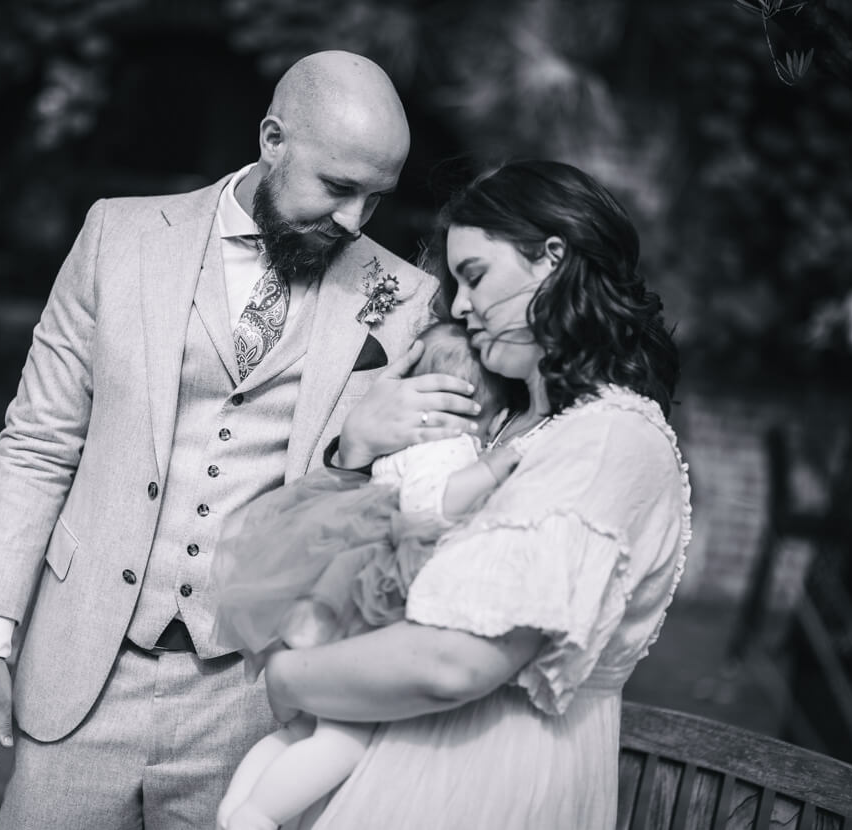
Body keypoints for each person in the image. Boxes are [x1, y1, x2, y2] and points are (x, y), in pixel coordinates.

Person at [0, 51, 483, 829]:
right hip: (83, 662)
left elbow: (406, 509)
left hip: (255, 695)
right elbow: (36, 444)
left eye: (375, 199)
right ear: (273, 139)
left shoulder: (406, 301)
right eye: (337, 187)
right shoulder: (119, 237)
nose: (353, 220)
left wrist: (354, 452)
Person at [260, 160, 691, 829]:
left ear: (552, 259)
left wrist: (289, 677)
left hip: (487, 789)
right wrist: (357, 452)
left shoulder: (608, 439)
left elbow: (452, 663)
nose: (459, 307)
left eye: (475, 275)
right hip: (393, 769)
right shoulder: (506, 426)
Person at [212, 321, 519, 830]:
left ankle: (235, 809)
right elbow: (428, 505)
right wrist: (491, 470)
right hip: (371, 606)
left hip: (337, 593)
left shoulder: (397, 444)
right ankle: (258, 817)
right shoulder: (453, 451)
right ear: (497, 416)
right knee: (345, 740)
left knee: (302, 732)